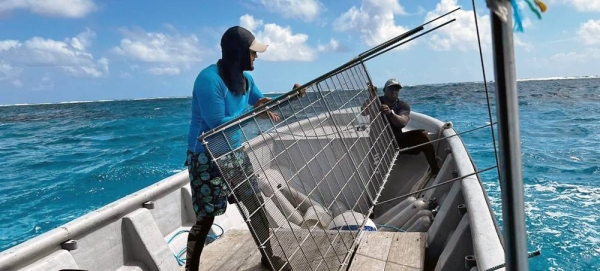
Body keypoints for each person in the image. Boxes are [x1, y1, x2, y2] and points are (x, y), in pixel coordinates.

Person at [185, 26, 301, 271]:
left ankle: (268, 257)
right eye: (252, 52)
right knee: (206, 219)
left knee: (255, 204)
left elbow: (260, 102)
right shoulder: (208, 80)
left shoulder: (246, 79)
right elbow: (218, 125)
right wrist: (255, 111)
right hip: (206, 157)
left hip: (233, 153)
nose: (256, 57)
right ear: (238, 54)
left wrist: (290, 97)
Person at [362, 78, 440, 175]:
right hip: (379, 142)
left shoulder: (403, 105)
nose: (394, 91)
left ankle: (435, 169)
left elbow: (402, 122)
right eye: (391, 89)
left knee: (422, 135)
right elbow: (364, 112)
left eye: (396, 89)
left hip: (395, 142)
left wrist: (390, 114)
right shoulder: (376, 101)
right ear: (384, 90)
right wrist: (372, 96)